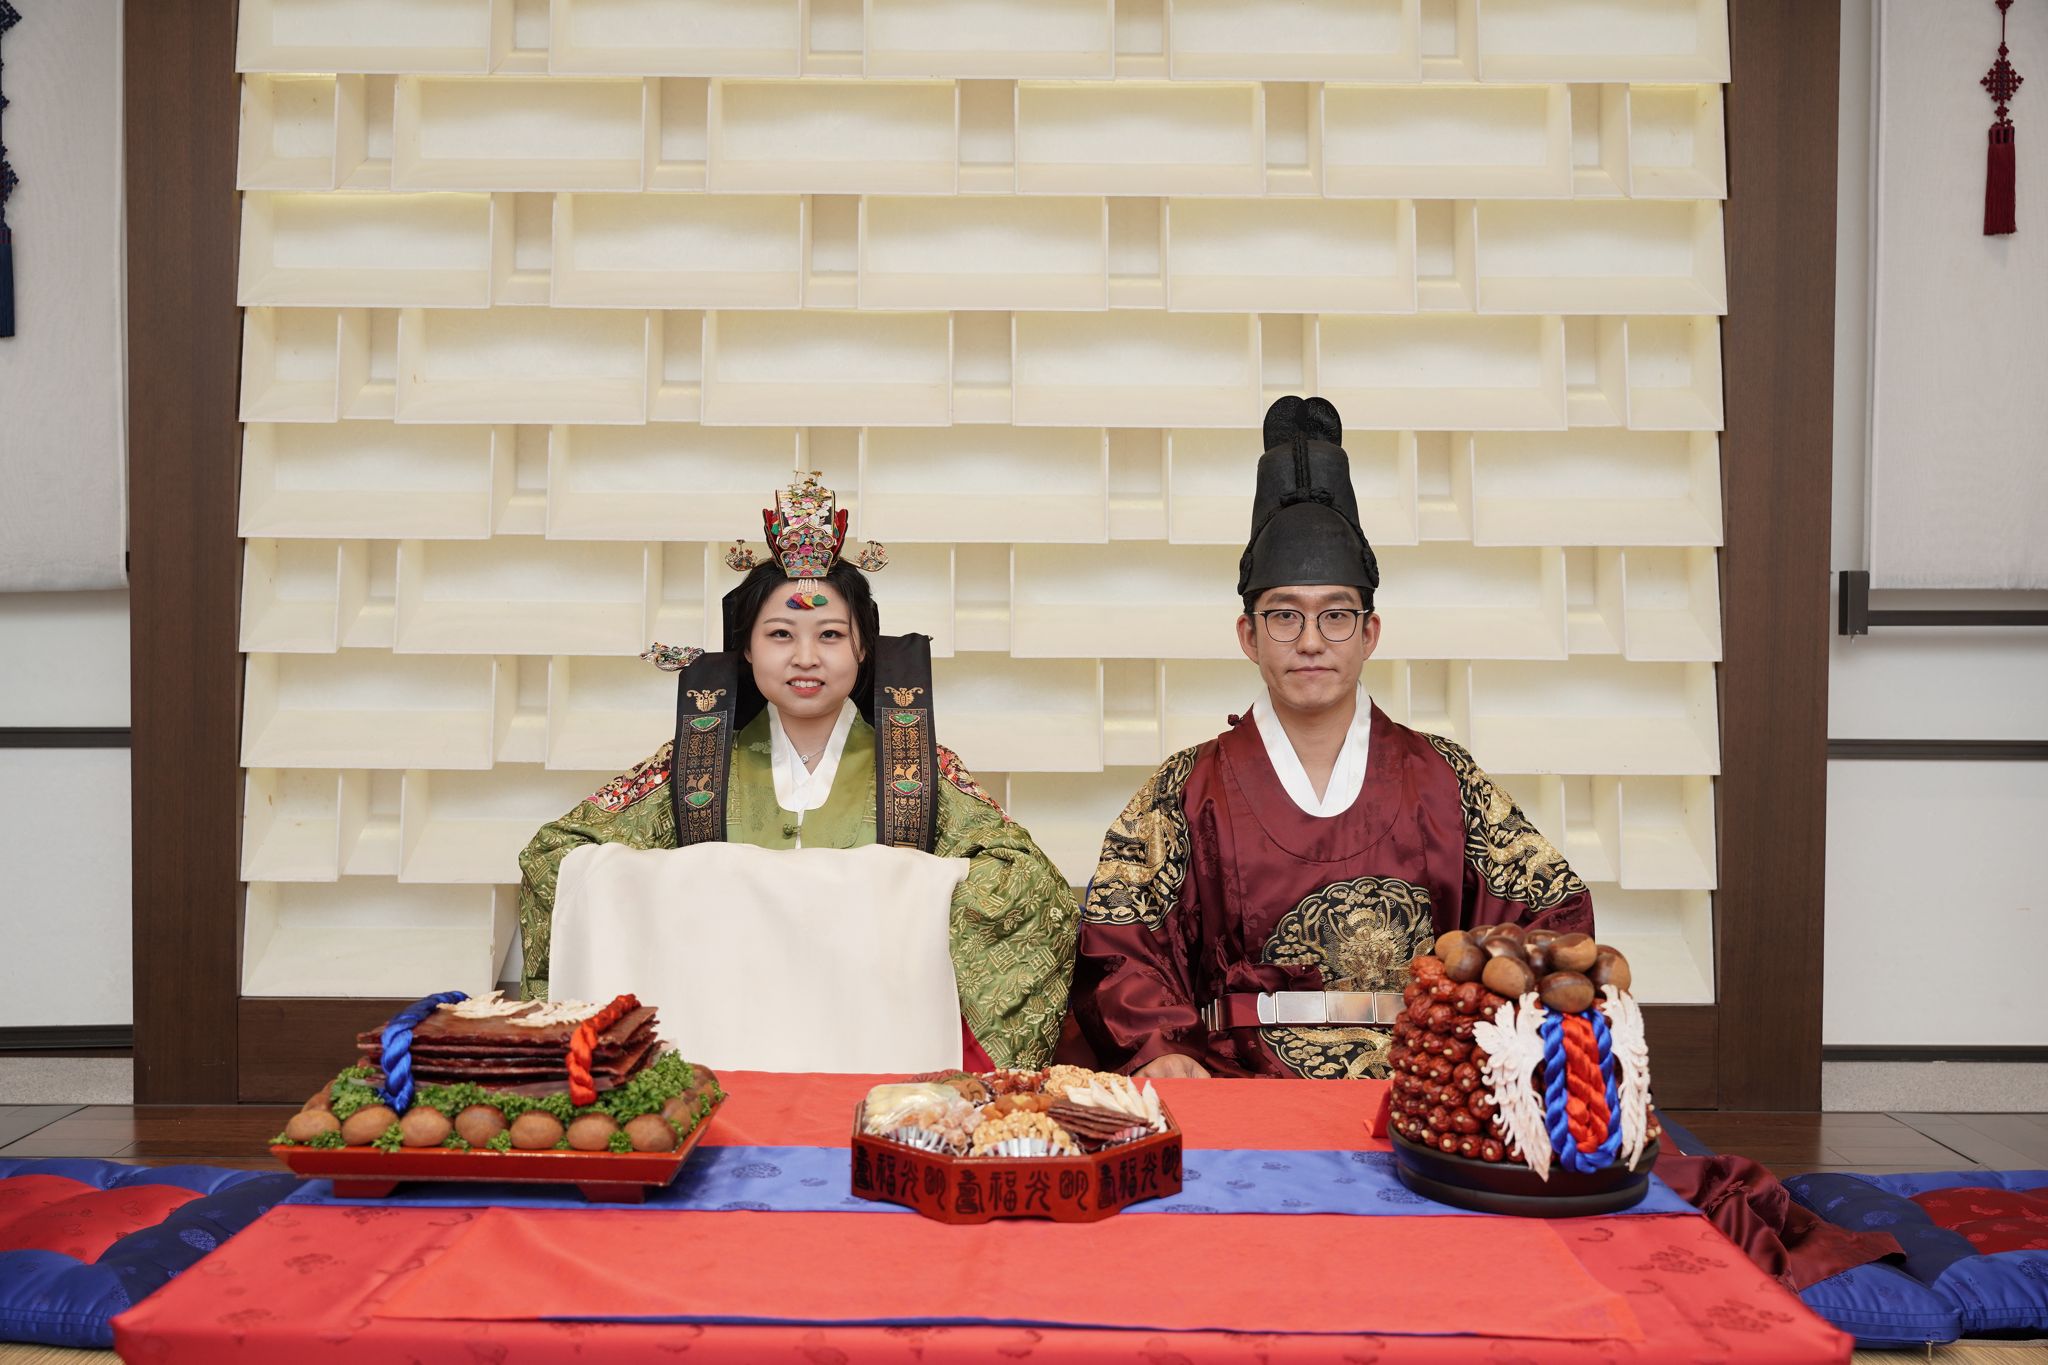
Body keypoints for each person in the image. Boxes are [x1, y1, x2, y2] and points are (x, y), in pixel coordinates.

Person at [1072, 397, 1594, 1082]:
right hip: (1240, 1088)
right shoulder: (1186, 788)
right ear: (1248, 635)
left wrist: (1479, 1033)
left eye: (1336, 615)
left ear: (1371, 632)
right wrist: (1161, 1049)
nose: (1311, 640)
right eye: (1284, 615)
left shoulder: (1443, 778)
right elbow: (1119, 943)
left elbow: (1551, 918)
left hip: (1426, 1089)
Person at [517, 474, 1077, 1070]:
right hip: (719, 1031)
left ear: (864, 649)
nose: (805, 658)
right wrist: (692, 883)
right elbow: (557, 856)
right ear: (747, 650)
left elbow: (1029, 884)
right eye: (780, 634)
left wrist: (912, 895)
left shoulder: (915, 765)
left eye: (830, 635)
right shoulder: (692, 765)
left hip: (873, 1037)